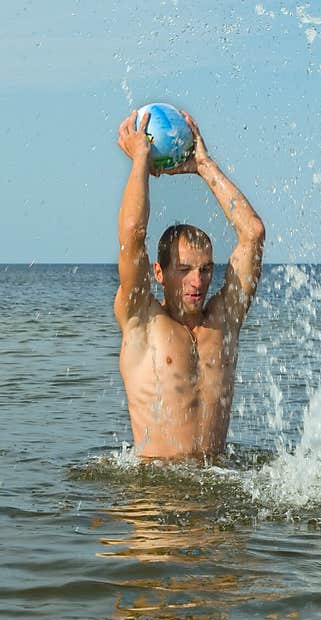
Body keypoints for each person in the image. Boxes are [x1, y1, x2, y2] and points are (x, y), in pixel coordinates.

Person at [115, 108, 266, 459]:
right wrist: (140, 160)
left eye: (205, 269)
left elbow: (253, 234)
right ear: (158, 273)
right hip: (154, 496)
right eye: (184, 269)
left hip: (214, 496)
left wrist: (203, 165)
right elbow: (132, 237)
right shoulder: (142, 320)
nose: (197, 281)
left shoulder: (223, 320)